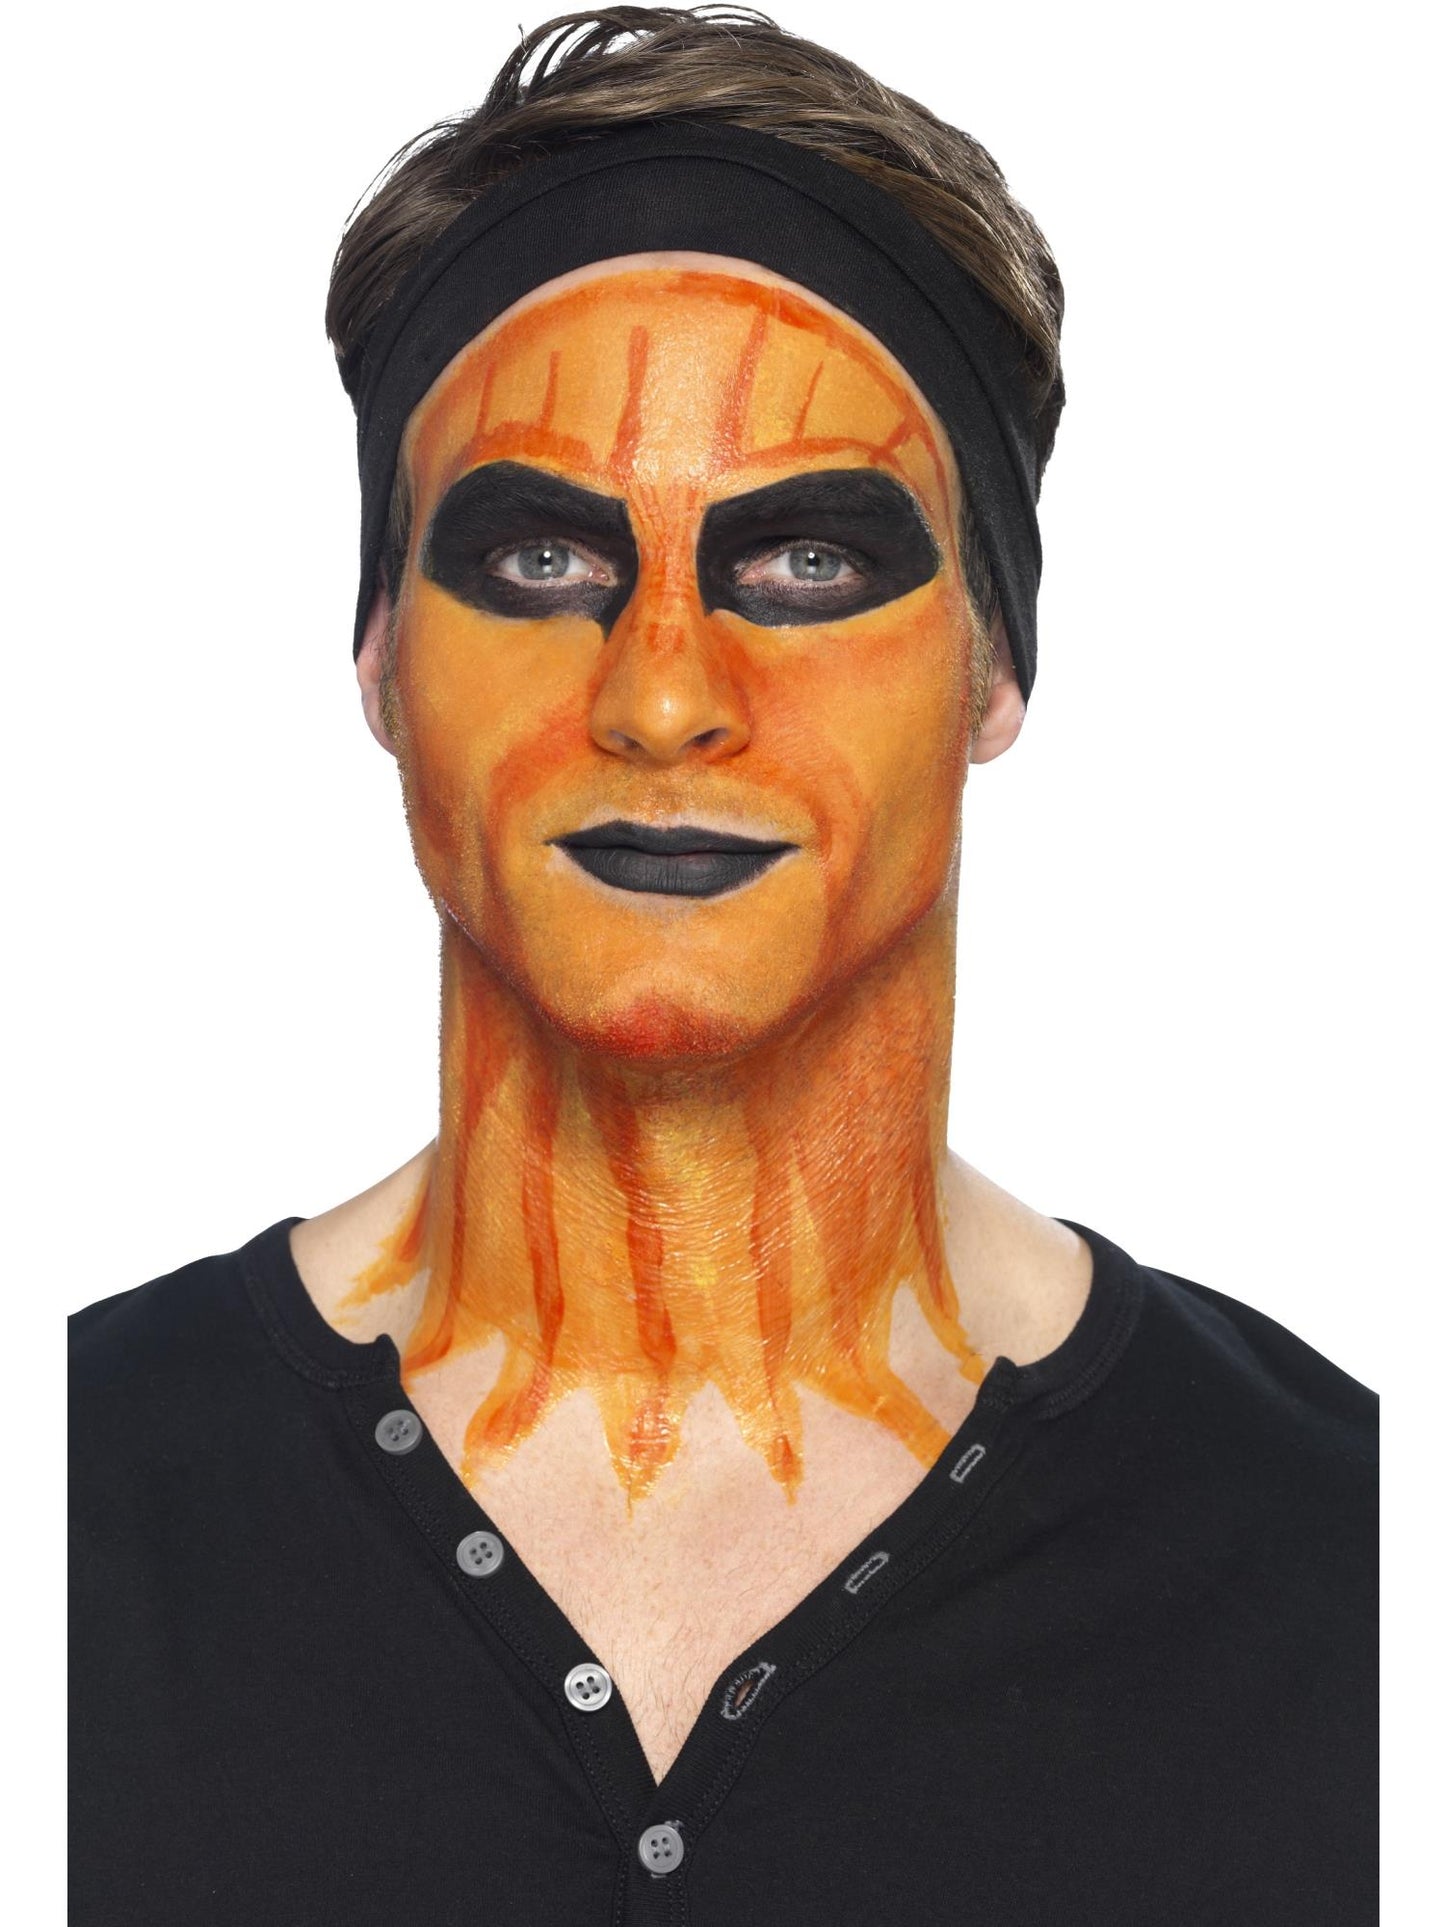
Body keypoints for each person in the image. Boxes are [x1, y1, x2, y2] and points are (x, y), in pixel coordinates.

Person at [68, 8, 1377, 1922]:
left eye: (807, 562)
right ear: (379, 661)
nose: (663, 695)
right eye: (538, 559)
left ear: (993, 667)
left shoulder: (1343, 1562)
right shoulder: (70, 1508)